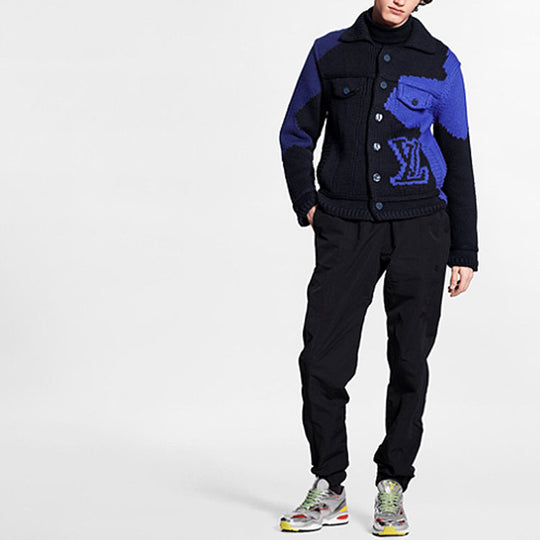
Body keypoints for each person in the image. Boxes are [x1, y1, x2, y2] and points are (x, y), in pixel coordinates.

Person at [277, 0, 478, 535]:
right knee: (322, 357)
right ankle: (329, 484)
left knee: (410, 360)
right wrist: (308, 203)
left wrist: (464, 249)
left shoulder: (440, 61)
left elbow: (457, 152)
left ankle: (393, 483)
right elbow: (296, 133)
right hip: (346, 228)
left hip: (422, 230)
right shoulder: (330, 52)